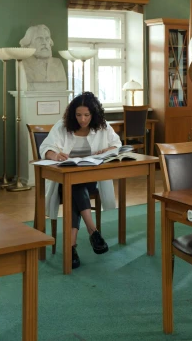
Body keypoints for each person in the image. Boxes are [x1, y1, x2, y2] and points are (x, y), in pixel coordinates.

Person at [40, 92, 120, 269]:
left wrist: (106, 150)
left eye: (86, 115)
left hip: (91, 178)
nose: (82, 119)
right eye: (78, 115)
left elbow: (117, 144)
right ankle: (93, 230)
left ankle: (71, 247)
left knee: (75, 188)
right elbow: (45, 147)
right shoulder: (62, 126)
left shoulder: (103, 127)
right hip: (62, 180)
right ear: (72, 114)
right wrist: (55, 154)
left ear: (94, 114)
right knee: (73, 185)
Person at [19, 24, 67, 90]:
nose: (44, 43)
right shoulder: (23, 63)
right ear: (28, 44)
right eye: (39, 39)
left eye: (47, 39)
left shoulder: (58, 63)